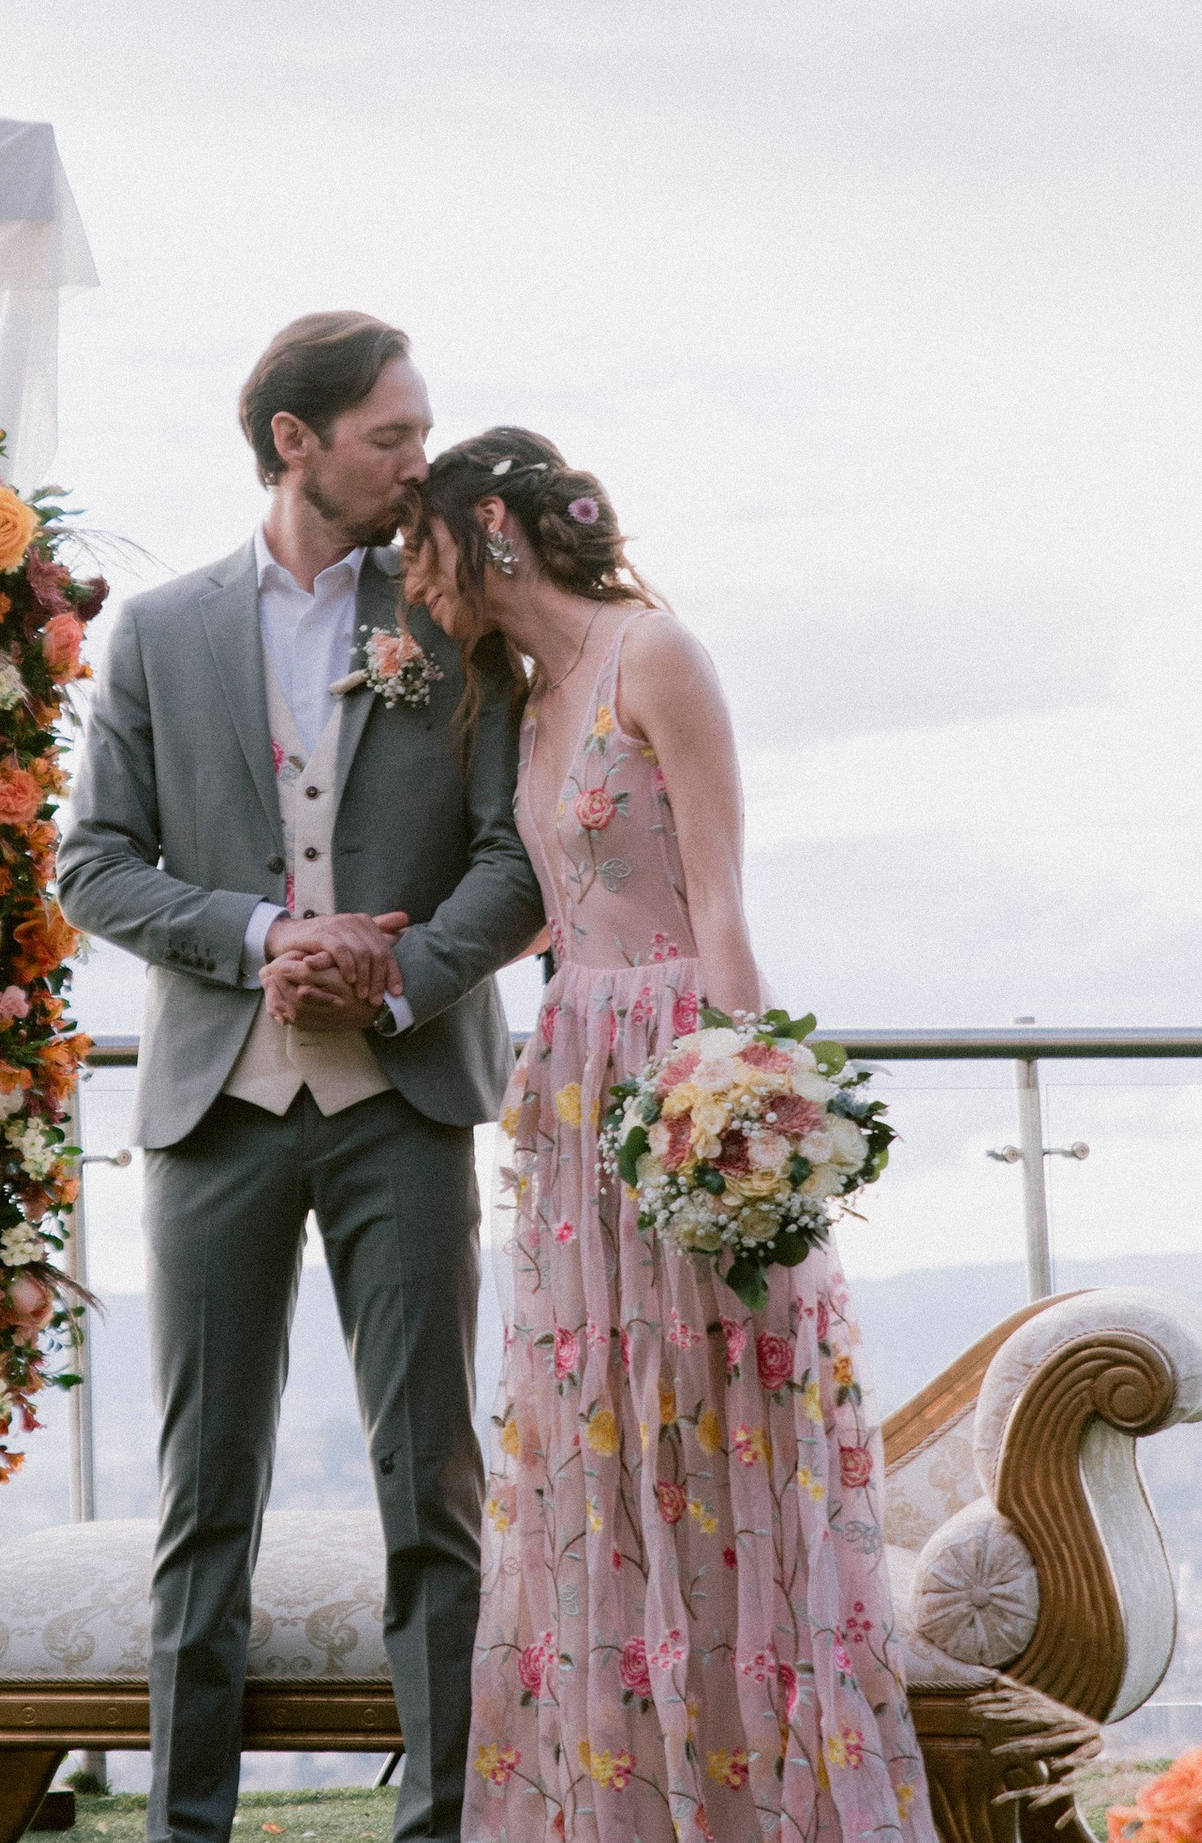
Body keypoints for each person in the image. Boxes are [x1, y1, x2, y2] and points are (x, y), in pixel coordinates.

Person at [58, 315, 546, 1843]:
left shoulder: (456, 615)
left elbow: (515, 858)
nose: (419, 463)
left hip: (402, 1104)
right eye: (391, 438)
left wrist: (392, 972)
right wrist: (267, 932)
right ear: (295, 441)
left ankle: (446, 1827)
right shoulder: (159, 630)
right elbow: (94, 863)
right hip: (219, 1109)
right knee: (203, 1499)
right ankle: (183, 1830)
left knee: (433, 1490)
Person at [404, 427, 930, 1843]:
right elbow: (553, 895)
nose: (413, 575)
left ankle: (756, 1802)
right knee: (599, 1441)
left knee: (712, 1432)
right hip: (573, 1089)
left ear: (493, 526)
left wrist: (747, 1104)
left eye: (425, 543)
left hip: (673, 1076)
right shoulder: (524, 697)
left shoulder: (658, 656)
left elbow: (719, 895)